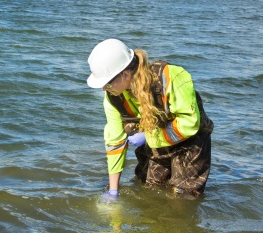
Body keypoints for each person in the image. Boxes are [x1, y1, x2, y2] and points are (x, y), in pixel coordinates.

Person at [87, 38, 213, 198]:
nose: (104, 89)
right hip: (155, 143)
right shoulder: (113, 97)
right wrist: (113, 190)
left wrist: (149, 136)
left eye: (107, 83)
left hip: (189, 143)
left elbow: (190, 123)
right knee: (148, 191)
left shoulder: (171, 77)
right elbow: (115, 143)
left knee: (183, 199)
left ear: (125, 74)